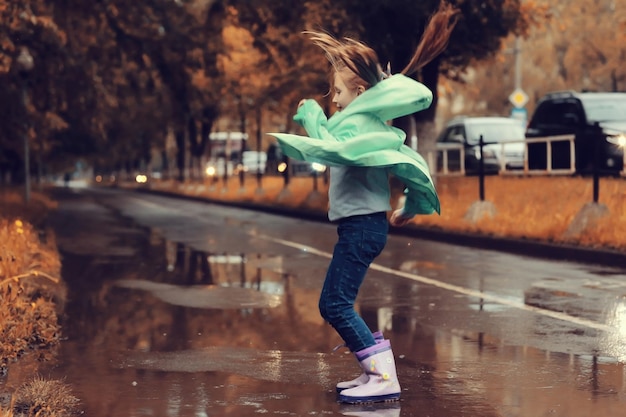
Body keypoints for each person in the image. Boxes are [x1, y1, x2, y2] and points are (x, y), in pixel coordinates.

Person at [268, 1, 458, 404]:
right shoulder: (365, 125)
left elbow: (331, 149)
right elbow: (405, 169)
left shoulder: (356, 126)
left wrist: (310, 119)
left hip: (361, 228)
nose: (333, 100)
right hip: (362, 227)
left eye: (337, 92)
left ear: (359, 92)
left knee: (333, 303)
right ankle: (372, 371)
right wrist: (410, 206)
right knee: (336, 302)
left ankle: (382, 376)